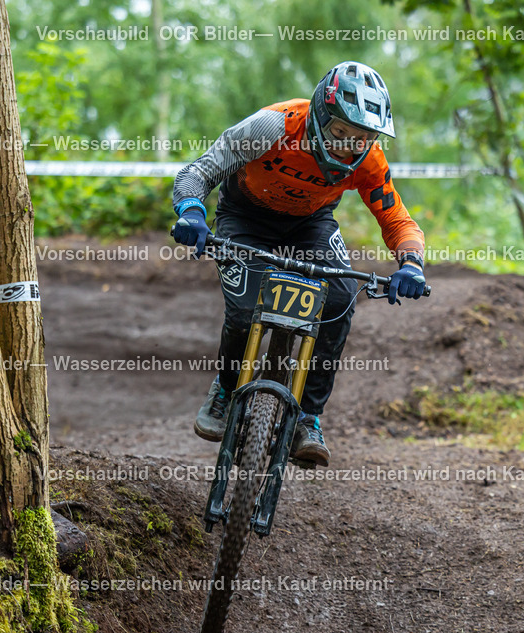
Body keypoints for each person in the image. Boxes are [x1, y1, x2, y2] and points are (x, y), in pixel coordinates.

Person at [171, 61, 426, 467]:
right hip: (246, 216)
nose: (350, 147)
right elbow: (198, 171)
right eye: (341, 133)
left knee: (341, 297)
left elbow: (397, 218)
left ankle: (308, 415)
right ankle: (225, 389)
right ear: (321, 117)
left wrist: (411, 264)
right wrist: (191, 213)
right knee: (242, 309)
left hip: (311, 224)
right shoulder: (272, 127)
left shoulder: (369, 160)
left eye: (363, 138)